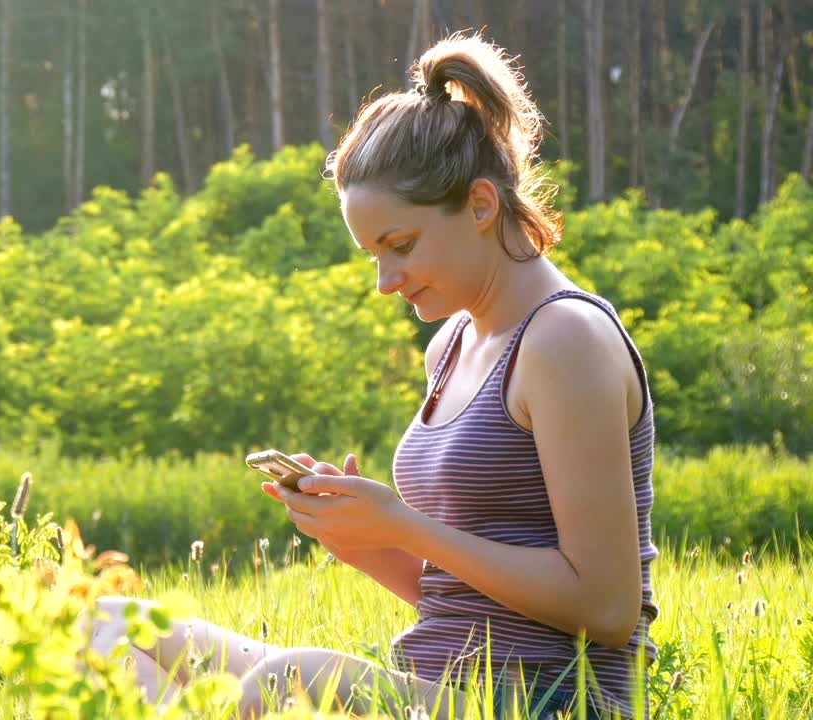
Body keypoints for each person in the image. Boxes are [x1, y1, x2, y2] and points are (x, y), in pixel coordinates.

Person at [86, 32, 657, 719]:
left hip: (546, 703)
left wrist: (404, 524)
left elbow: (607, 606)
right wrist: (363, 541)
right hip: (437, 689)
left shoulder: (566, 340)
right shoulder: (451, 345)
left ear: (481, 205)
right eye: (372, 256)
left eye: (401, 246)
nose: (387, 283)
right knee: (111, 623)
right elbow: (467, 598)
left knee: (287, 680)